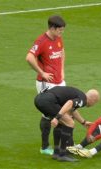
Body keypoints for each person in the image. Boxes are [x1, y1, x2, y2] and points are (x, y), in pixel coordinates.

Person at [26, 15, 66, 155]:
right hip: (46, 84)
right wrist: (42, 72)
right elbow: (29, 57)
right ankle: (44, 147)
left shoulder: (58, 38)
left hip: (60, 82)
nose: (62, 33)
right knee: (49, 114)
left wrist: (61, 70)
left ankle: (62, 145)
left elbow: (62, 52)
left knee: (63, 113)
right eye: (60, 30)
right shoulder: (42, 41)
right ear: (53, 28)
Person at [34, 86, 100, 162]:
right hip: (48, 101)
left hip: (39, 99)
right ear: (93, 100)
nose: (93, 105)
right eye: (95, 102)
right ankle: (62, 154)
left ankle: (56, 153)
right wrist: (57, 117)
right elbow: (70, 103)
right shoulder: (83, 100)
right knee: (70, 123)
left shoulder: (79, 94)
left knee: (62, 122)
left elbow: (72, 110)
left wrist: (83, 122)